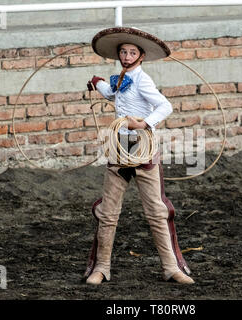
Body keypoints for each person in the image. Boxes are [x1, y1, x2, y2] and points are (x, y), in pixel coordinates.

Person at [83, 27, 194, 285]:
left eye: (132, 52)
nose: (127, 56)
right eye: (123, 51)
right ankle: (101, 268)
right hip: (120, 147)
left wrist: (144, 124)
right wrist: (97, 82)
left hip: (142, 147)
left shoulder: (143, 80)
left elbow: (165, 106)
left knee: (156, 210)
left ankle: (171, 268)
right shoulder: (120, 78)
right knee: (108, 211)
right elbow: (112, 94)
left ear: (141, 56)